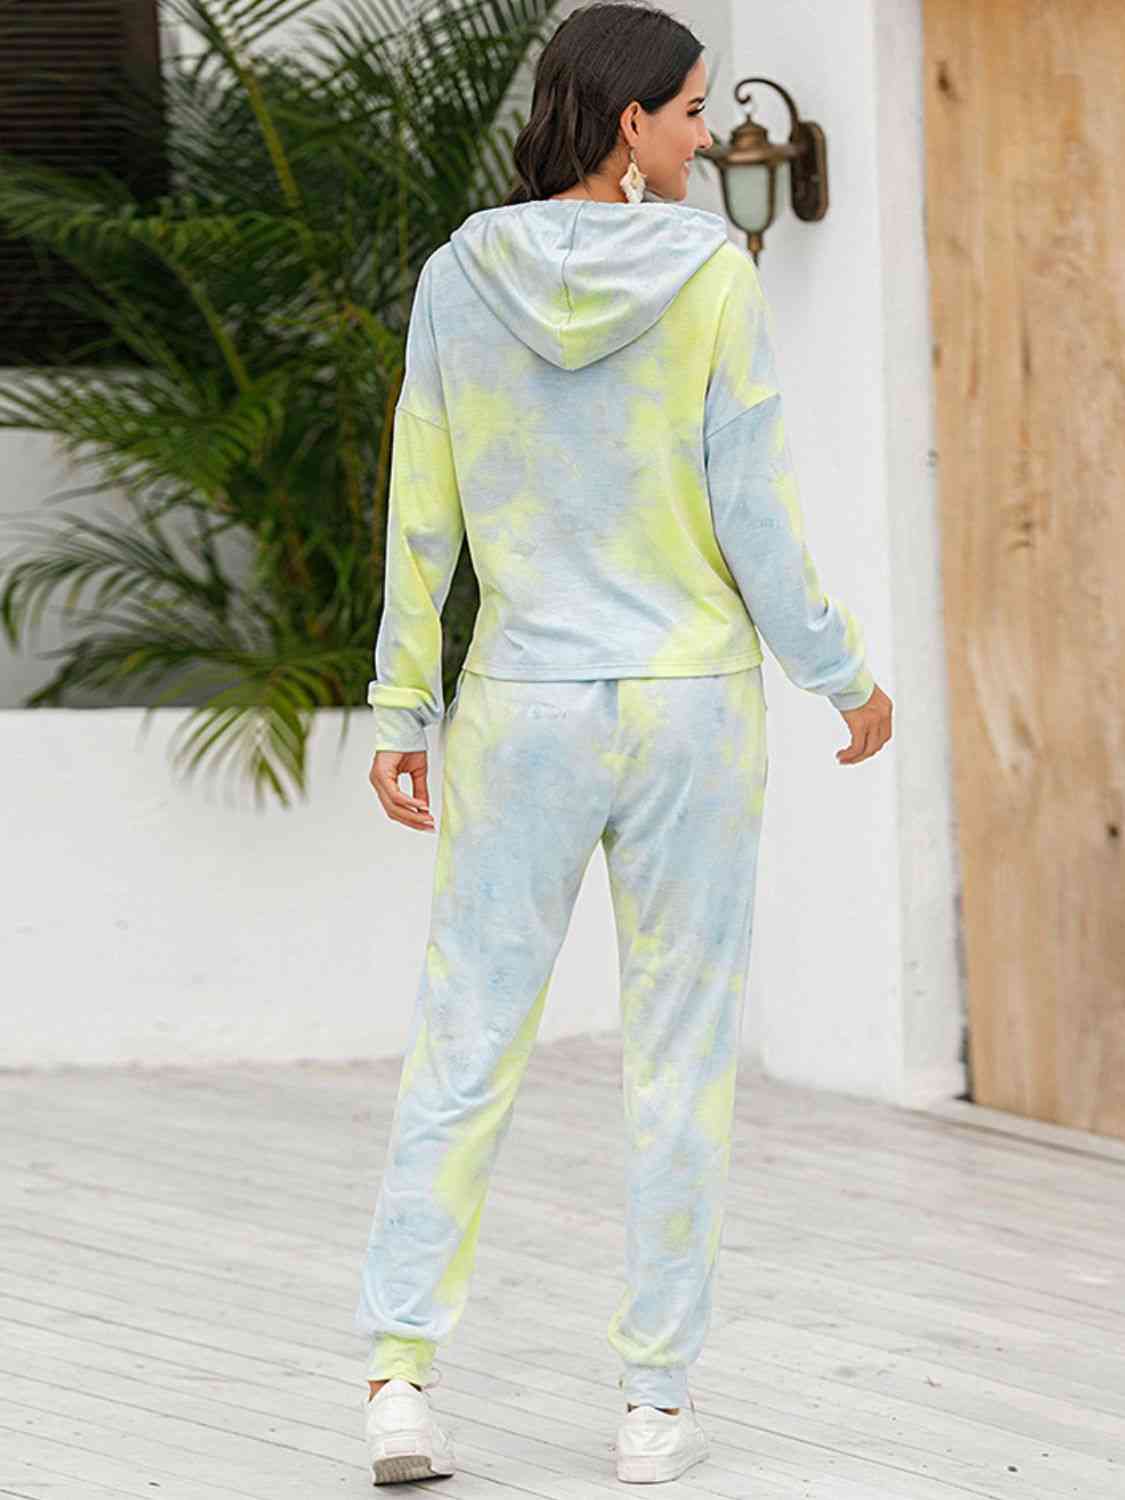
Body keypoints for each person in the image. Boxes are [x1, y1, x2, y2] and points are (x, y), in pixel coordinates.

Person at [355, 0, 893, 1485]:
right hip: (687, 708)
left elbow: (420, 514)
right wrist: (841, 674)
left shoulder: (458, 276)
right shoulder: (711, 273)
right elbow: (753, 510)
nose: (708, 139)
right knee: (679, 1057)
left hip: (519, 705)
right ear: (627, 122)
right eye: (693, 112)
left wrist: (402, 704)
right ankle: (653, 1403)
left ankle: (397, 1381)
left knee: (464, 1042)